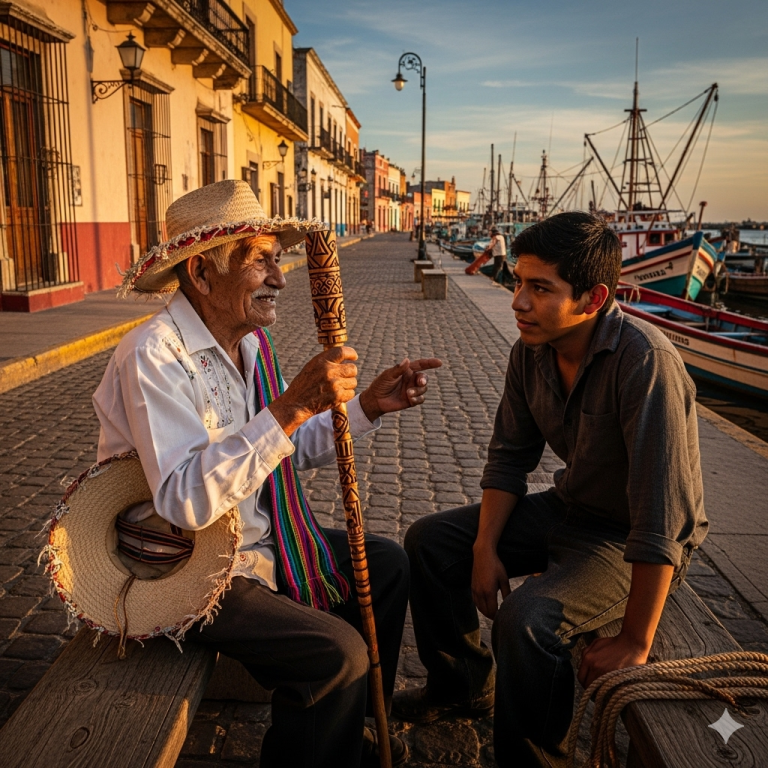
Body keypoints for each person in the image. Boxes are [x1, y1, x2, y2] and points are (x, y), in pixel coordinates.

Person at [93, 180, 442, 768]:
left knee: (386, 566)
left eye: (277, 260)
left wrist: (366, 407)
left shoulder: (247, 346)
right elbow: (182, 501)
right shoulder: (154, 354)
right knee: (337, 653)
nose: (281, 278)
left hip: (253, 537)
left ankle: (341, 732)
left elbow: (279, 449)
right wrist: (290, 407)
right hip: (182, 562)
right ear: (202, 274)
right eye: (262, 262)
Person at [392, 211, 707, 767]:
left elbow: (662, 514)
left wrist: (636, 640)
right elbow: (510, 457)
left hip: (626, 536)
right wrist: (485, 549)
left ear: (593, 297)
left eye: (540, 289)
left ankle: (539, 757)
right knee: (429, 541)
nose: (518, 301)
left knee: (527, 619)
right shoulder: (531, 350)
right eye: (518, 282)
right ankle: (461, 686)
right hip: (571, 507)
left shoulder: (645, 362)